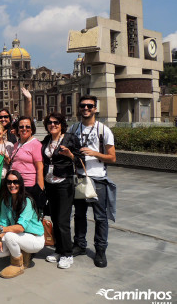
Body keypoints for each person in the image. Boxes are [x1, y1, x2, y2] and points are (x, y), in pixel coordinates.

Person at [70, 95, 116, 268]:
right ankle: (80, 245)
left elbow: (112, 157)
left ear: (95, 108)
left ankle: (100, 250)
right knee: (80, 215)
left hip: (98, 179)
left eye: (90, 106)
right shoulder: (74, 129)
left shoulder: (103, 130)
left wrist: (95, 153)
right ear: (79, 108)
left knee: (100, 217)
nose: (86, 108)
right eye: (83, 106)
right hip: (79, 177)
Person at [41, 112, 82, 269]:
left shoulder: (70, 138)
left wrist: (70, 155)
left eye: (56, 122)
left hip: (64, 184)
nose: (53, 125)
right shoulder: (47, 140)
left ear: (62, 124)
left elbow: (80, 160)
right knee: (55, 219)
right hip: (50, 184)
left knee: (63, 221)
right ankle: (59, 249)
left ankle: (67, 254)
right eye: (50, 122)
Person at [0, 170, 44, 278]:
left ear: (20, 183)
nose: (12, 185)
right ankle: (22, 252)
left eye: (15, 182)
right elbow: (3, 223)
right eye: (9, 182)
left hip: (35, 238)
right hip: (20, 236)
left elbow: (20, 228)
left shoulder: (27, 201)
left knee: (9, 236)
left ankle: (17, 264)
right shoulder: (6, 201)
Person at [10, 116, 45, 211]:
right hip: (16, 186)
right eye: (21, 127)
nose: (24, 129)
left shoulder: (36, 144)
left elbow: (39, 168)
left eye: (27, 126)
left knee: (28, 215)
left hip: (29, 186)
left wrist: (40, 189)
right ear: (17, 129)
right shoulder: (16, 145)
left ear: (32, 129)